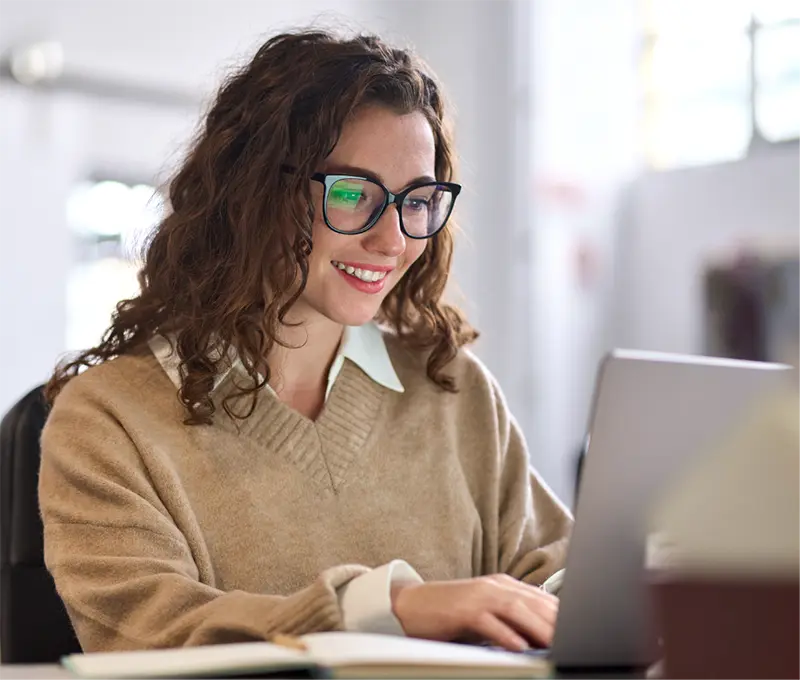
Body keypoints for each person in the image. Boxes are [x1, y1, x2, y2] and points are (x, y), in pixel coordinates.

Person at [39, 28, 573, 655]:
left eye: (418, 200)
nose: (393, 242)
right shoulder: (106, 420)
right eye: (352, 194)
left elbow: (555, 580)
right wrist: (391, 609)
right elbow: (152, 633)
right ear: (253, 193)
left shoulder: (455, 392)